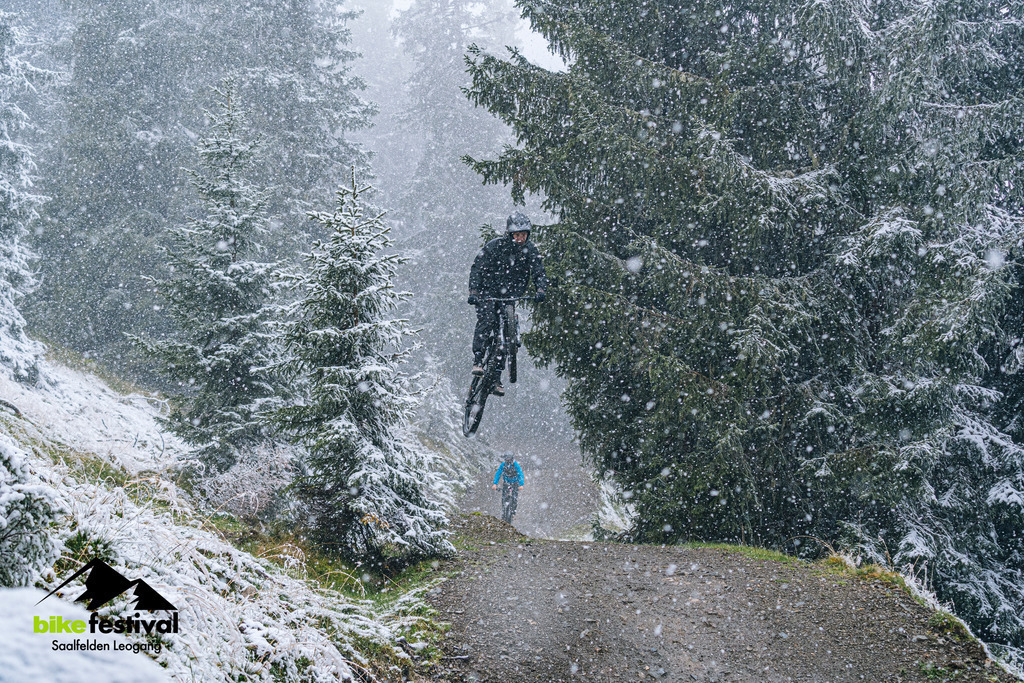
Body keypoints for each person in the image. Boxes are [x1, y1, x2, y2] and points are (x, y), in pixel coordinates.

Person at [467, 212, 548, 396]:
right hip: (488, 293)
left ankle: (495, 377)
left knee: (505, 337)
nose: (520, 238)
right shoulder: (495, 246)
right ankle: (478, 360)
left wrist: (541, 290)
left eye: (523, 235)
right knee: (487, 320)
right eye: (517, 235)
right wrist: (474, 292)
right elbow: (477, 268)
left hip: (511, 294)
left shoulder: (530, 251)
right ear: (510, 234)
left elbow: (539, 271)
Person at [492, 452, 524, 523]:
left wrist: (521, 484)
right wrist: (495, 484)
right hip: (506, 483)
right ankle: (504, 511)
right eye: (506, 458)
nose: (508, 460)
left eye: (509, 458)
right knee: (504, 497)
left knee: (514, 497)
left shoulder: (516, 465)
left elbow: (520, 474)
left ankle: (513, 513)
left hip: (515, 483)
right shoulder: (503, 465)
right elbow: (498, 473)